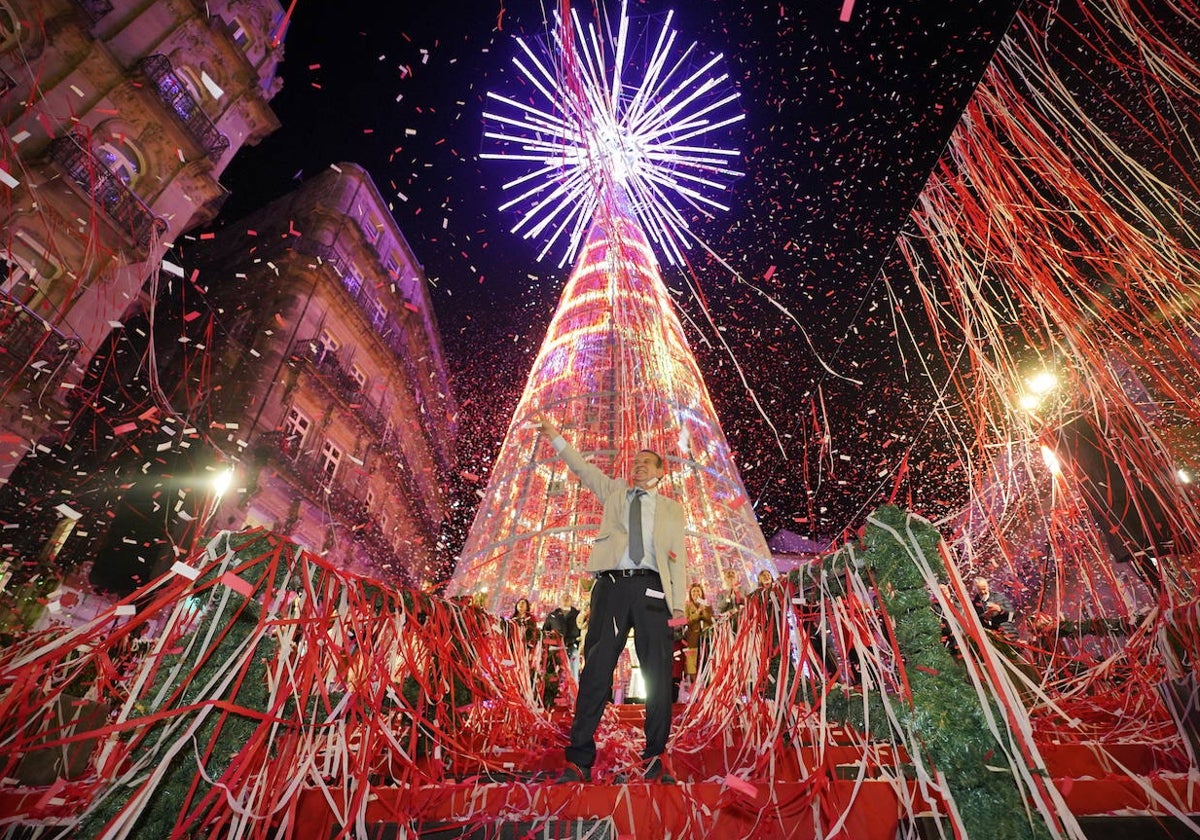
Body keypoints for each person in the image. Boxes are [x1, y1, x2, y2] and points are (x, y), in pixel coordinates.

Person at [536, 412, 687, 785]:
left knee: (656, 673)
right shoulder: (615, 493)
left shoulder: (671, 509)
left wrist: (680, 606)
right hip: (612, 586)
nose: (637, 467)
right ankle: (579, 760)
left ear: (660, 471)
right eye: (634, 462)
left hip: (654, 590)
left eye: (645, 463)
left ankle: (655, 757)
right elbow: (583, 470)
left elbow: (678, 558)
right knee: (597, 670)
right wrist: (556, 437)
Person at [683, 583, 713, 680]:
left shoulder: (707, 605)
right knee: (692, 665)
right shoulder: (687, 606)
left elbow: (711, 620)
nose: (696, 593)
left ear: (702, 593)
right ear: (690, 594)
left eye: (698, 591)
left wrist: (703, 611)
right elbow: (686, 620)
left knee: (706, 661)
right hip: (692, 639)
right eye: (693, 591)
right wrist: (697, 612)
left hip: (706, 638)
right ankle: (693, 686)